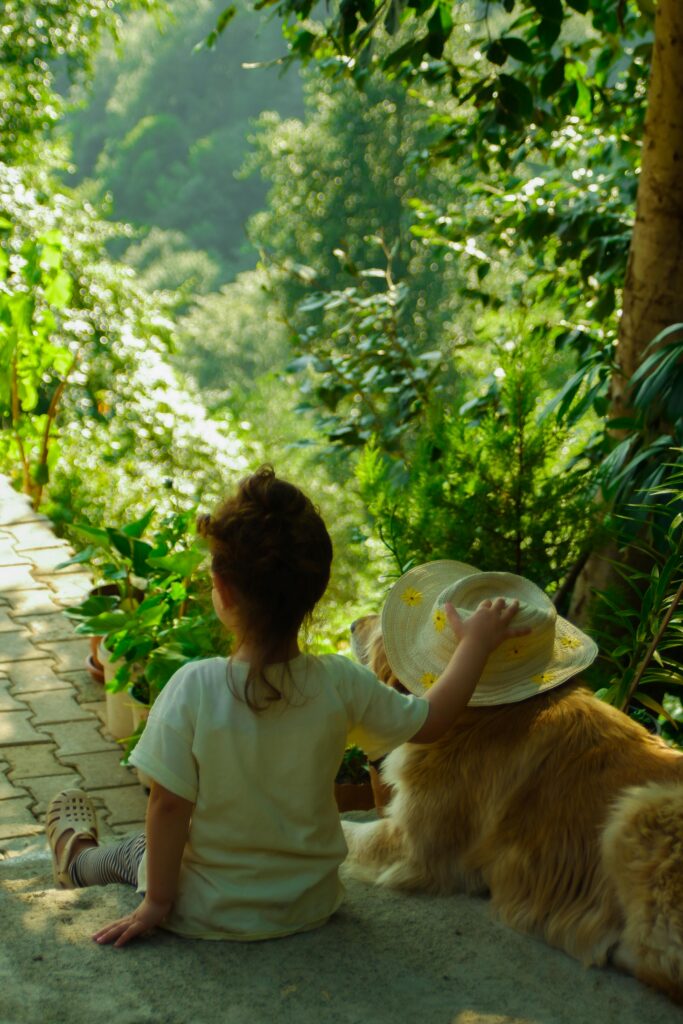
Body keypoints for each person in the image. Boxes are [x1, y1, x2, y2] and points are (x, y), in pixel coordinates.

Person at [45, 466, 526, 948]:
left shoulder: (194, 686)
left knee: (137, 849)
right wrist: (474, 646)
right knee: (148, 846)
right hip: (308, 903)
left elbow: (168, 805)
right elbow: (432, 719)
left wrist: (156, 903)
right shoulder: (340, 682)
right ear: (313, 590)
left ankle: (76, 858)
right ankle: (81, 856)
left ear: (223, 589)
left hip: (207, 906)